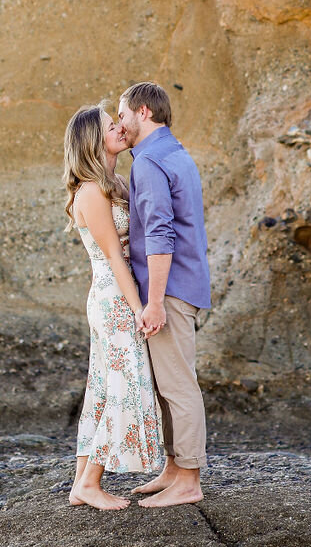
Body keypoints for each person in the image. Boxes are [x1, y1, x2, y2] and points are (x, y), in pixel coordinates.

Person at [62, 103, 164, 510]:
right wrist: (141, 307)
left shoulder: (112, 183)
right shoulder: (90, 190)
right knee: (121, 386)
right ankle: (90, 482)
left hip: (113, 296)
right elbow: (115, 258)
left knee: (104, 390)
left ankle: (80, 484)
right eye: (111, 126)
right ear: (93, 139)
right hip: (114, 298)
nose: (121, 128)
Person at [117, 81, 211, 508]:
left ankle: (189, 480)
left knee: (178, 386)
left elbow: (159, 232)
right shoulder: (175, 153)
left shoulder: (151, 160)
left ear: (142, 111)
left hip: (169, 288)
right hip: (185, 282)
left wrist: (153, 301)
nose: (119, 124)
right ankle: (174, 469)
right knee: (166, 383)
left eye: (122, 116)